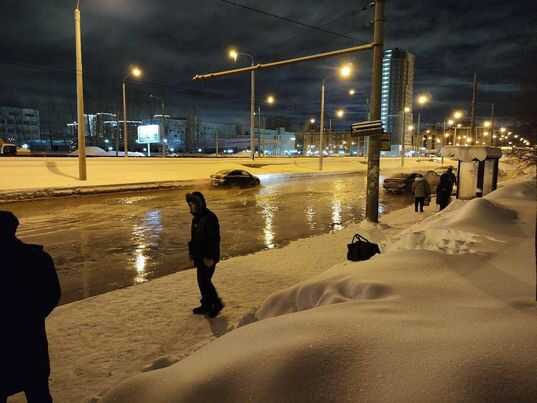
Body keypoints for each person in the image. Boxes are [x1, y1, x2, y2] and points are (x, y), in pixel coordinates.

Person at [0, 211, 61, 403]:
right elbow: (52, 293)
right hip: (30, 338)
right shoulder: (37, 257)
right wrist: (32, 316)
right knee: (38, 391)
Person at [186, 192, 224, 318]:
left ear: (199, 204)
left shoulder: (210, 218)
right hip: (200, 256)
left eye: (193, 204)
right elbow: (194, 238)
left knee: (205, 281)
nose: (191, 207)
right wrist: (192, 253)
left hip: (208, 257)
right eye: (190, 205)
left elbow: (214, 239)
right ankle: (207, 304)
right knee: (202, 282)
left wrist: (211, 257)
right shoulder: (196, 218)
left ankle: (216, 304)